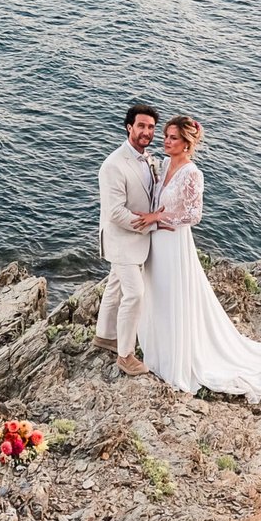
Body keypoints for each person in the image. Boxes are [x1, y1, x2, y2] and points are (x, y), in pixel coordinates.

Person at [139, 116, 261, 402]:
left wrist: (159, 217)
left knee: (173, 294)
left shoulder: (192, 173)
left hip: (174, 240)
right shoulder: (166, 164)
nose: (166, 141)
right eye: (166, 136)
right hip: (157, 237)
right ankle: (158, 345)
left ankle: (177, 356)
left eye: (173, 138)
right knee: (156, 291)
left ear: (187, 144)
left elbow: (194, 215)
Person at [94, 104, 163, 376]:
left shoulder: (148, 158)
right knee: (134, 294)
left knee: (114, 288)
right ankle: (125, 355)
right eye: (141, 126)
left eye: (151, 127)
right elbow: (115, 213)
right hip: (121, 240)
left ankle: (105, 335)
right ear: (129, 127)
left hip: (133, 241)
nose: (146, 132)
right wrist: (150, 222)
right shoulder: (113, 165)